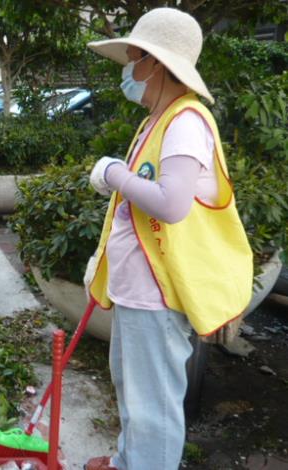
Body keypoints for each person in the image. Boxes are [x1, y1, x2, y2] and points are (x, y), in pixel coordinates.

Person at [83, 8, 253, 470]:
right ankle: (126, 461)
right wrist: (104, 261)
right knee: (131, 387)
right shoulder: (160, 119)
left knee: (152, 406)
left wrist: (113, 172)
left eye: (134, 57)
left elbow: (172, 205)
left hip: (157, 295)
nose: (129, 68)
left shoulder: (186, 122)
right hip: (139, 288)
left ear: (157, 64)